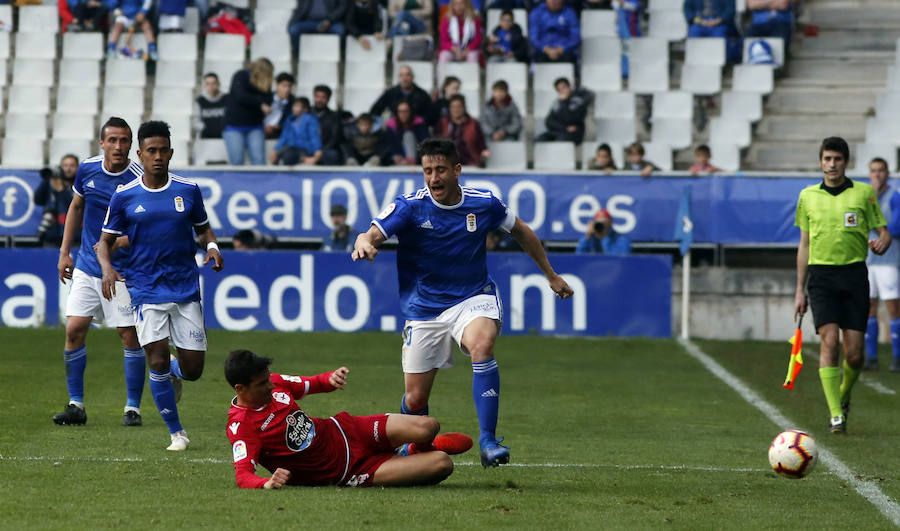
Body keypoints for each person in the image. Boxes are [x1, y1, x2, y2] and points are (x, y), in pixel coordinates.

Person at [351, 138, 574, 467]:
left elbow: (522, 231)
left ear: (457, 170)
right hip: (424, 307)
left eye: (440, 169)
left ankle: (488, 440)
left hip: (473, 297)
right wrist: (365, 243)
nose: (433, 178)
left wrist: (551, 275)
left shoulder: (483, 203)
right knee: (415, 398)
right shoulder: (410, 206)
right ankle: (414, 449)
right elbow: (370, 233)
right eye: (427, 170)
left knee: (482, 346)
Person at [98, 120, 225, 450]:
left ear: (171, 152)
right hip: (146, 289)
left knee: (193, 370)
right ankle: (176, 433)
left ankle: (173, 371)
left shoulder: (188, 190)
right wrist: (108, 269)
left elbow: (204, 229)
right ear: (139, 154)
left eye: (162, 150)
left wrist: (212, 248)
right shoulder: (125, 196)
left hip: (184, 288)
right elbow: (104, 241)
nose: (157, 156)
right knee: (153, 358)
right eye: (150, 151)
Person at [224, 349, 474, 488]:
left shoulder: (275, 383)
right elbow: (243, 475)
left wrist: (330, 379)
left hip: (347, 430)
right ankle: (407, 455)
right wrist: (265, 483)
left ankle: (410, 450)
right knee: (442, 464)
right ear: (240, 389)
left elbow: (311, 384)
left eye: (268, 378)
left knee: (428, 426)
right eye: (261, 383)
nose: (270, 385)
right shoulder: (242, 426)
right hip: (349, 470)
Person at [793, 137, 891, 434]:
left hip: (854, 275)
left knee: (855, 354)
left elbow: (883, 232)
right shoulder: (807, 196)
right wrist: (800, 288)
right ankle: (836, 414)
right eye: (827, 159)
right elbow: (804, 245)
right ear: (820, 162)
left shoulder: (864, 194)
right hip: (821, 277)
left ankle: (844, 395)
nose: (832, 164)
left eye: (837, 159)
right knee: (830, 341)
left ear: (846, 162)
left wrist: (883, 241)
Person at [53, 118, 146, 428]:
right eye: (113, 140)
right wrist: (65, 251)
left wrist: (117, 243)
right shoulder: (88, 170)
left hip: (122, 271)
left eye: (124, 141)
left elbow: (147, 230)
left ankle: (132, 407)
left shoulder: (139, 179)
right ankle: (76, 404)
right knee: (74, 330)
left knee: (128, 335)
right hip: (87, 265)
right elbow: (76, 207)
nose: (119, 147)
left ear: (130, 145)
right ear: (102, 143)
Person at [864, 157, 900, 372]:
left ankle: (897, 357)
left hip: (888, 260)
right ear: (869, 174)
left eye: (881, 170)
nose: (877, 174)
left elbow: (895, 228)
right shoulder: (864, 197)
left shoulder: (894, 197)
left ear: (887, 173)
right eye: (873, 170)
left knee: (893, 307)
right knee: (868, 307)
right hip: (867, 261)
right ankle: (871, 357)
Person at [223, 58, 274, 166]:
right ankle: (236, 183)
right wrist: (260, 104)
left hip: (255, 126)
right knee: (237, 161)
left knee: (259, 161)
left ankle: (260, 183)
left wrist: (260, 103)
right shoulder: (241, 76)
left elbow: (268, 99)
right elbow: (240, 96)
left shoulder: (265, 84)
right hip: (234, 126)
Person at [371, 65, 437, 127]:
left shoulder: (422, 95)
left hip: (416, 129)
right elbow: (375, 110)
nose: (404, 78)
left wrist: (419, 120)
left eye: (407, 75)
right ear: (398, 78)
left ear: (412, 77)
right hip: (395, 130)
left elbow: (431, 116)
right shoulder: (391, 93)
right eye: (401, 75)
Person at [35, 155, 78, 248]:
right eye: (65, 166)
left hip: (75, 237)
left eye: (72, 166)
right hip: (52, 236)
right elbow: (37, 200)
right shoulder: (51, 184)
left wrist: (61, 191)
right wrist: (47, 180)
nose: (68, 169)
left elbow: (73, 206)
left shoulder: (80, 185)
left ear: (78, 167)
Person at [536, 78, 594, 145]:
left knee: (560, 141)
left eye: (563, 88)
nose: (562, 91)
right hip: (561, 131)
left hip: (574, 134)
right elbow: (549, 121)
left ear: (569, 87)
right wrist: (564, 128)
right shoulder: (557, 103)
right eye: (559, 90)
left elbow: (571, 119)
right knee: (540, 139)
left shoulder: (578, 101)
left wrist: (564, 102)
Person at [437, 95, 489, 167]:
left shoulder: (474, 124)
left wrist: (484, 153)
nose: (456, 109)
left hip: (470, 162)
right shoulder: (443, 122)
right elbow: (435, 142)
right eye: (453, 107)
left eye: (459, 107)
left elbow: (481, 143)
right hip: (447, 163)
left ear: (464, 107)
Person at [269, 97, 323, 166]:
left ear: (305, 109)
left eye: (297, 106)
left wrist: (317, 152)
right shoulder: (290, 120)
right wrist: (275, 150)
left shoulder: (310, 120)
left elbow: (314, 136)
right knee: (279, 156)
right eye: (294, 106)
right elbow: (284, 137)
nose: (294, 108)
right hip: (289, 148)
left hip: (304, 149)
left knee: (289, 155)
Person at [437, 0, 482, 70]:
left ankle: (471, 81)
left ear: (466, 4)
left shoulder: (475, 18)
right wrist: (455, 50)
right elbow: (443, 41)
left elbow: (478, 39)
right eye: (455, 4)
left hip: (469, 49)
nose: (458, 7)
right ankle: (442, 80)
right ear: (452, 6)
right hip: (453, 50)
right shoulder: (446, 19)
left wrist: (466, 51)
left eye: (461, 4)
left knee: (472, 56)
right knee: (444, 56)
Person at [385, 100, 430, 166]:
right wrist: (395, 156)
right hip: (398, 160)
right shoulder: (391, 125)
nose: (403, 114)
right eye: (400, 111)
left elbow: (425, 143)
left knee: (408, 135)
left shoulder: (419, 123)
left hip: (416, 160)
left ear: (410, 112)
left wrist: (416, 160)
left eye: (405, 111)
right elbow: (389, 144)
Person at [311, 85, 345, 165]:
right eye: (317, 96)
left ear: (328, 99)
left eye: (323, 97)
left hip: (325, 151)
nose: (319, 100)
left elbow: (335, 138)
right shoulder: (306, 115)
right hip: (307, 149)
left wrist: (320, 152)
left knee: (333, 155)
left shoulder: (334, 117)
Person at [264, 73, 297, 140]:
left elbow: (291, 121)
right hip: (260, 130)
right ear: (277, 85)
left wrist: (276, 127)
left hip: (279, 134)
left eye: (289, 86)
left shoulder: (293, 102)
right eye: (284, 86)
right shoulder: (266, 97)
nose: (287, 90)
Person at [196, 73, 228, 139]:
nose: (211, 86)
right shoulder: (200, 101)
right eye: (208, 84)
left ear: (218, 84)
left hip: (224, 135)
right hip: (206, 136)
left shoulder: (227, 98)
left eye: (213, 83)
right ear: (204, 85)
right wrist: (207, 129)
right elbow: (196, 121)